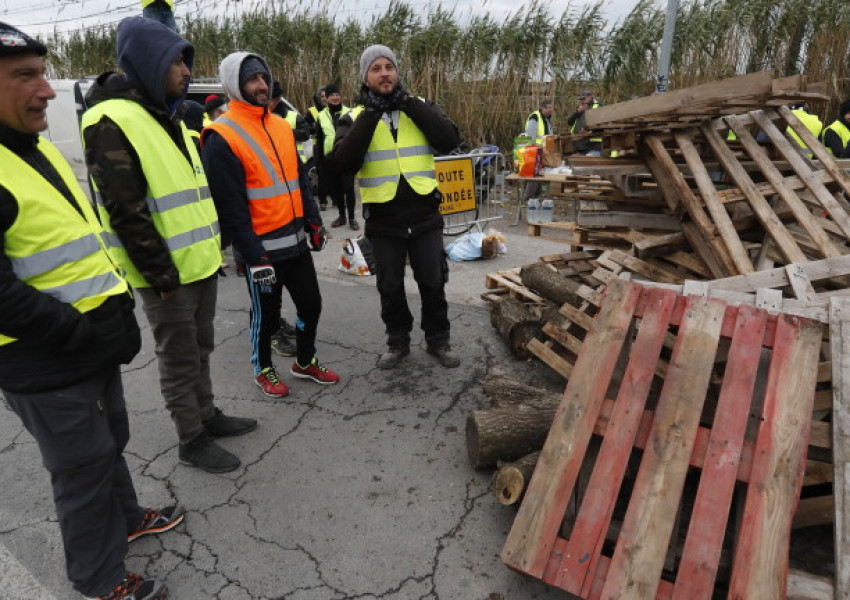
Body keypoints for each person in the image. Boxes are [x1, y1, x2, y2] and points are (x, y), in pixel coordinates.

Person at [0, 21, 183, 600]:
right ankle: (99, 580)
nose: (47, 91)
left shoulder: (31, 149)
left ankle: (126, 518)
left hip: (85, 345)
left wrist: (114, 315)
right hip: (45, 362)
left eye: (44, 73)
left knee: (108, 440)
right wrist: (81, 333)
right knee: (80, 469)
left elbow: (78, 241)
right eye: (25, 76)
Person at [82, 17, 257, 475]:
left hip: (197, 264)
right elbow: (126, 210)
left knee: (199, 348)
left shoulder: (169, 117)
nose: (185, 70)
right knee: (179, 358)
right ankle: (191, 438)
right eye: (178, 60)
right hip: (166, 275)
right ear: (149, 61)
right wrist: (160, 276)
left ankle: (207, 415)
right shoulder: (110, 121)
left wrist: (212, 251)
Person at [201, 51, 340, 397]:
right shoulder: (222, 136)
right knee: (267, 317)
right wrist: (251, 256)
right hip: (262, 251)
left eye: (264, 77)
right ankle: (262, 368)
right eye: (253, 79)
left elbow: (299, 182)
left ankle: (304, 361)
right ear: (235, 85)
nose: (262, 85)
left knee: (311, 305)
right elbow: (231, 209)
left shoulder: (280, 125)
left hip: (295, 244)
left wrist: (314, 222)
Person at [333, 44, 461, 370]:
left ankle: (438, 340)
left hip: (424, 213)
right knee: (389, 286)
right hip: (384, 218)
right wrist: (372, 113)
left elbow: (448, 140)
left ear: (397, 72)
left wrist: (408, 104)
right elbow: (343, 162)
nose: (384, 73)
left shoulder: (419, 106)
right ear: (366, 77)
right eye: (375, 68)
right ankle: (397, 342)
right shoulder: (354, 117)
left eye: (388, 66)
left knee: (433, 281)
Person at [317, 83, 358, 230]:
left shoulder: (351, 112)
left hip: (347, 157)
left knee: (348, 188)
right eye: (332, 95)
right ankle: (342, 216)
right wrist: (319, 162)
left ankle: (352, 218)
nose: (335, 97)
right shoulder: (321, 116)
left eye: (337, 95)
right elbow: (319, 140)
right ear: (326, 99)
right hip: (329, 159)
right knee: (337, 189)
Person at [522, 99, 554, 205]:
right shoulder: (535, 117)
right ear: (543, 108)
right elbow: (531, 134)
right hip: (535, 151)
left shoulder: (545, 118)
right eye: (549, 107)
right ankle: (529, 197)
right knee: (533, 175)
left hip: (542, 150)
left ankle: (535, 196)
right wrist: (537, 147)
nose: (551, 110)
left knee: (539, 174)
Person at [270, 80, 310, 163]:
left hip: (294, 163)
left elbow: (306, 134)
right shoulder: (258, 117)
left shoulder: (294, 116)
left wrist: (287, 132)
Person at [305, 86, 328, 209]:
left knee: (335, 173)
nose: (324, 99)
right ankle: (322, 201)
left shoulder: (335, 109)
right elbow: (307, 128)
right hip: (317, 144)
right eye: (322, 96)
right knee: (321, 174)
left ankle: (336, 198)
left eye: (326, 96)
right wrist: (315, 127)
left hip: (333, 145)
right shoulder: (312, 111)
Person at [567, 90, 602, 155]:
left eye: (584, 99)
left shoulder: (598, 107)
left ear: (591, 97)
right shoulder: (580, 109)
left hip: (593, 145)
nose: (582, 101)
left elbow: (602, 126)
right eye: (581, 99)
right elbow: (569, 122)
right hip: (578, 144)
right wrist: (577, 112)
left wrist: (589, 131)